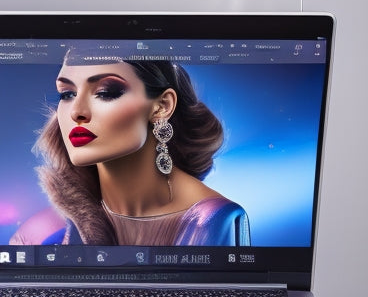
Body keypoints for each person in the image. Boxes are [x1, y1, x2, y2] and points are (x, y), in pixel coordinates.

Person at [11, 53, 250, 247]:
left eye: (105, 92)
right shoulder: (42, 234)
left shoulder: (211, 221)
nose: (76, 111)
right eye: (67, 94)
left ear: (161, 106)